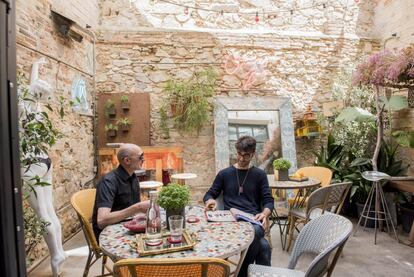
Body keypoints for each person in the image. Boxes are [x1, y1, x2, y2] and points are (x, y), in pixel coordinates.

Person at [20, 58, 67, 277]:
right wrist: (36, 66)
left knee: (42, 213)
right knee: (50, 209)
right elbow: (34, 83)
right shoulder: (36, 108)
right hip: (44, 160)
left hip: (30, 164)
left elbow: (31, 85)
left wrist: (36, 69)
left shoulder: (22, 107)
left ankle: (56, 254)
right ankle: (60, 251)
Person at [203, 136, 274, 277]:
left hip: (253, 219)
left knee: (255, 232)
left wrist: (265, 214)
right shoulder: (224, 174)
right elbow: (209, 194)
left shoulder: (260, 175)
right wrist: (210, 201)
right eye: (239, 154)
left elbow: (268, 200)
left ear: (253, 154)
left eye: (246, 155)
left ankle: (241, 274)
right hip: (230, 221)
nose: (241, 159)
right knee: (264, 247)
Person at [92, 144, 150, 241]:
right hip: (108, 234)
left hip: (126, 226)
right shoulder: (108, 182)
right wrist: (137, 208)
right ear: (127, 160)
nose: (143, 160)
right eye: (140, 157)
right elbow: (101, 221)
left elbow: (134, 213)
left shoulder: (133, 177)